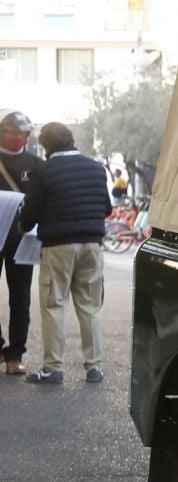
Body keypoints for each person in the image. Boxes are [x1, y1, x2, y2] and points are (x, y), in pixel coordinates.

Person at [18, 121, 110, 385]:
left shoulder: (43, 171)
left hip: (58, 247)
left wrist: (22, 225)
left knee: (54, 305)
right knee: (90, 307)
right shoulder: (96, 168)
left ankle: (53, 367)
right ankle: (94, 367)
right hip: (92, 245)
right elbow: (106, 208)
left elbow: (30, 214)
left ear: (46, 146)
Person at [0, 110, 42, 376]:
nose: (18, 138)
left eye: (23, 134)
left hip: (21, 237)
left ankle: (15, 354)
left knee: (20, 297)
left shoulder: (36, 164)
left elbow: (42, 199)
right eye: (12, 133)